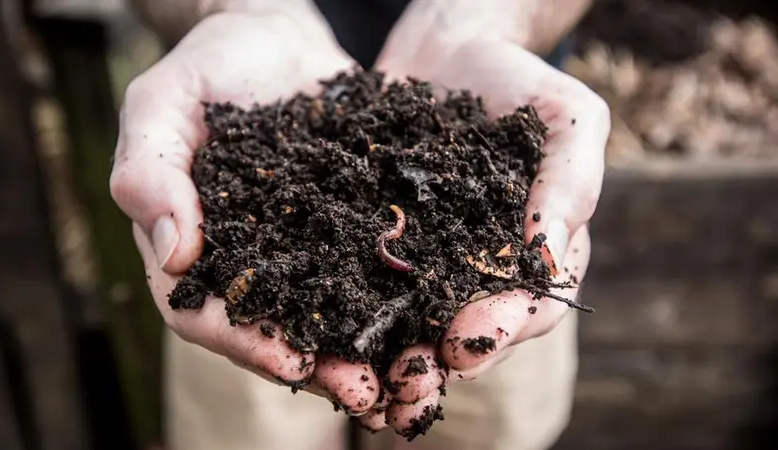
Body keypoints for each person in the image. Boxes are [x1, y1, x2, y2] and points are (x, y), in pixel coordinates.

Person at [109, 1, 610, 449]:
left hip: (496, 112)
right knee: (250, 425)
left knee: (487, 414)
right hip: (237, 110)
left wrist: (495, 14)